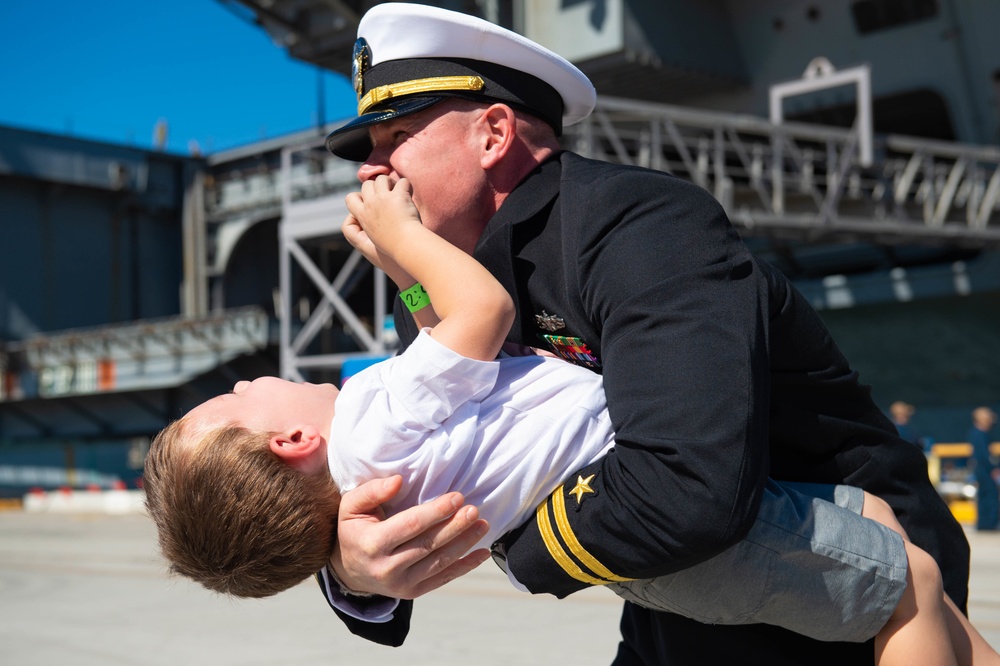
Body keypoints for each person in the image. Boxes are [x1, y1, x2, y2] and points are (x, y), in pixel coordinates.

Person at [317, 4, 971, 664]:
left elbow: (686, 488)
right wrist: (352, 564)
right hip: (677, 599)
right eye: (366, 151)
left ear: (492, 134)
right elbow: (427, 469)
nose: (369, 171)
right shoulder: (428, 293)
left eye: (393, 137)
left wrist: (512, 545)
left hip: (847, 581)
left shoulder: (639, 226)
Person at [142, 176, 997, 665]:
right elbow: (475, 310)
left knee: (882, 535)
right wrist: (405, 240)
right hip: (679, 530)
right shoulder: (367, 424)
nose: (248, 377)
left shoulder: (371, 458)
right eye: (233, 399)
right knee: (905, 587)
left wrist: (401, 272)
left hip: (653, 553)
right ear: (291, 442)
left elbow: (438, 344)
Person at [969, 407, 999, 532]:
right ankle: (988, 523)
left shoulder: (978, 433)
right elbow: (984, 456)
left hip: (981, 468)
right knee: (990, 495)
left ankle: (985, 523)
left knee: (984, 495)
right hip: (984, 470)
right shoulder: (979, 434)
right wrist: (993, 468)